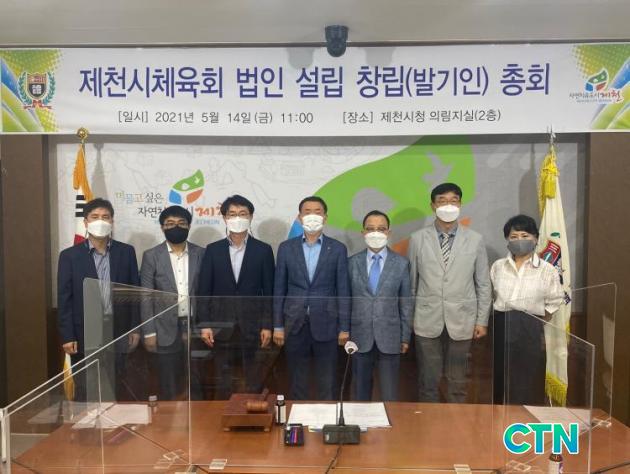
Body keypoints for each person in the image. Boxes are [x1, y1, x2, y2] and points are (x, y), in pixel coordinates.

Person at [408, 183, 492, 403]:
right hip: (426, 319)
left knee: (458, 383)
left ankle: (457, 423)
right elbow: (411, 283)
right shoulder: (417, 239)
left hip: (463, 319)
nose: (448, 205)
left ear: (460, 204)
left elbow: (483, 283)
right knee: (428, 382)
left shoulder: (475, 239)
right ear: (432, 205)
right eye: (442, 201)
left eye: (453, 201)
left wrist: (482, 320)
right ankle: (428, 422)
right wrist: (410, 318)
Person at [57, 198, 140, 399]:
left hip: (118, 329)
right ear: (85, 222)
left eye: (105, 217)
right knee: (86, 387)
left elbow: (134, 293)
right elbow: (65, 298)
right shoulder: (69, 256)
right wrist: (67, 335)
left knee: (117, 385)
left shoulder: (126, 252)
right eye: (94, 217)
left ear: (112, 221)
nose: (100, 221)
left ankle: (114, 420)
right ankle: (87, 421)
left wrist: (135, 328)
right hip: (84, 331)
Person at [273, 196, 351, 401]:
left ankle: (327, 418)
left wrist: (344, 327)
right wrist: (278, 326)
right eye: (307, 212)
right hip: (294, 323)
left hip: (327, 323)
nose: (312, 216)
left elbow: (343, 290)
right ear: (299, 217)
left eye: (318, 212)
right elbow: (279, 289)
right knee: (297, 381)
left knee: (327, 381)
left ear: (325, 217)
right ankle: (298, 417)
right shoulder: (286, 248)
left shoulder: (337, 249)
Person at [197, 195, 275, 397]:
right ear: (224, 218)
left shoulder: (263, 250)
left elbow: (269, 292)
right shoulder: (213, 250)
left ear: (251, 217)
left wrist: (267, 325)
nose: (237, 218)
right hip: (220, 325)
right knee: (223, 379)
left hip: (253, 325)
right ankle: (223, 413)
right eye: (232, 214)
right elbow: (204, 291)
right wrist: (205, 324)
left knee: (254, 378)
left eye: (242, 214)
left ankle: (252, 413)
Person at [490, 214, 564, 405]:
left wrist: (534, 321)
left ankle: (523, 420)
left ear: (536, 239)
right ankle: (499, 418)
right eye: (514, 236)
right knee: (500, 379)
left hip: (530, 326)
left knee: (527, 380)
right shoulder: (498, 266)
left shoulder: (547, 270)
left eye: (525, 235)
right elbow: (491, 295)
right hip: (501, 325)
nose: (519, 240)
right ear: (507, 240)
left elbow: (555, 301)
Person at [140, 205, 205, 400]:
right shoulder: (151, 256)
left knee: (197, 378)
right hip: (163, 328)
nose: (176, 227)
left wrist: (206, 325)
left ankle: (199, 416)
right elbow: (145, 296)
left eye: (181, 223)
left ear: (189, 226)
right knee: (168, 383)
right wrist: (149, 332)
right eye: (170, 224)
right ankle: (170, 419)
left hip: (195, 326)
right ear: (162, 227)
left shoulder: (202, 253)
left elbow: (207, 291)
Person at [348, 210, 412, 401]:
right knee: (360, 393)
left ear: (388, 232)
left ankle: (390, 422)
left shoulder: (401, 263)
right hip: (359, 336)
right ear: (363, 232)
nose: (375, 233)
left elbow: (406, 303)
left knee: (390, 394)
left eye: (381, 229)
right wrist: (344, 331)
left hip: (390, 337)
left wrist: (405, 336)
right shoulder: (351, 263)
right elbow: (346, 300)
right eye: (370, 229)